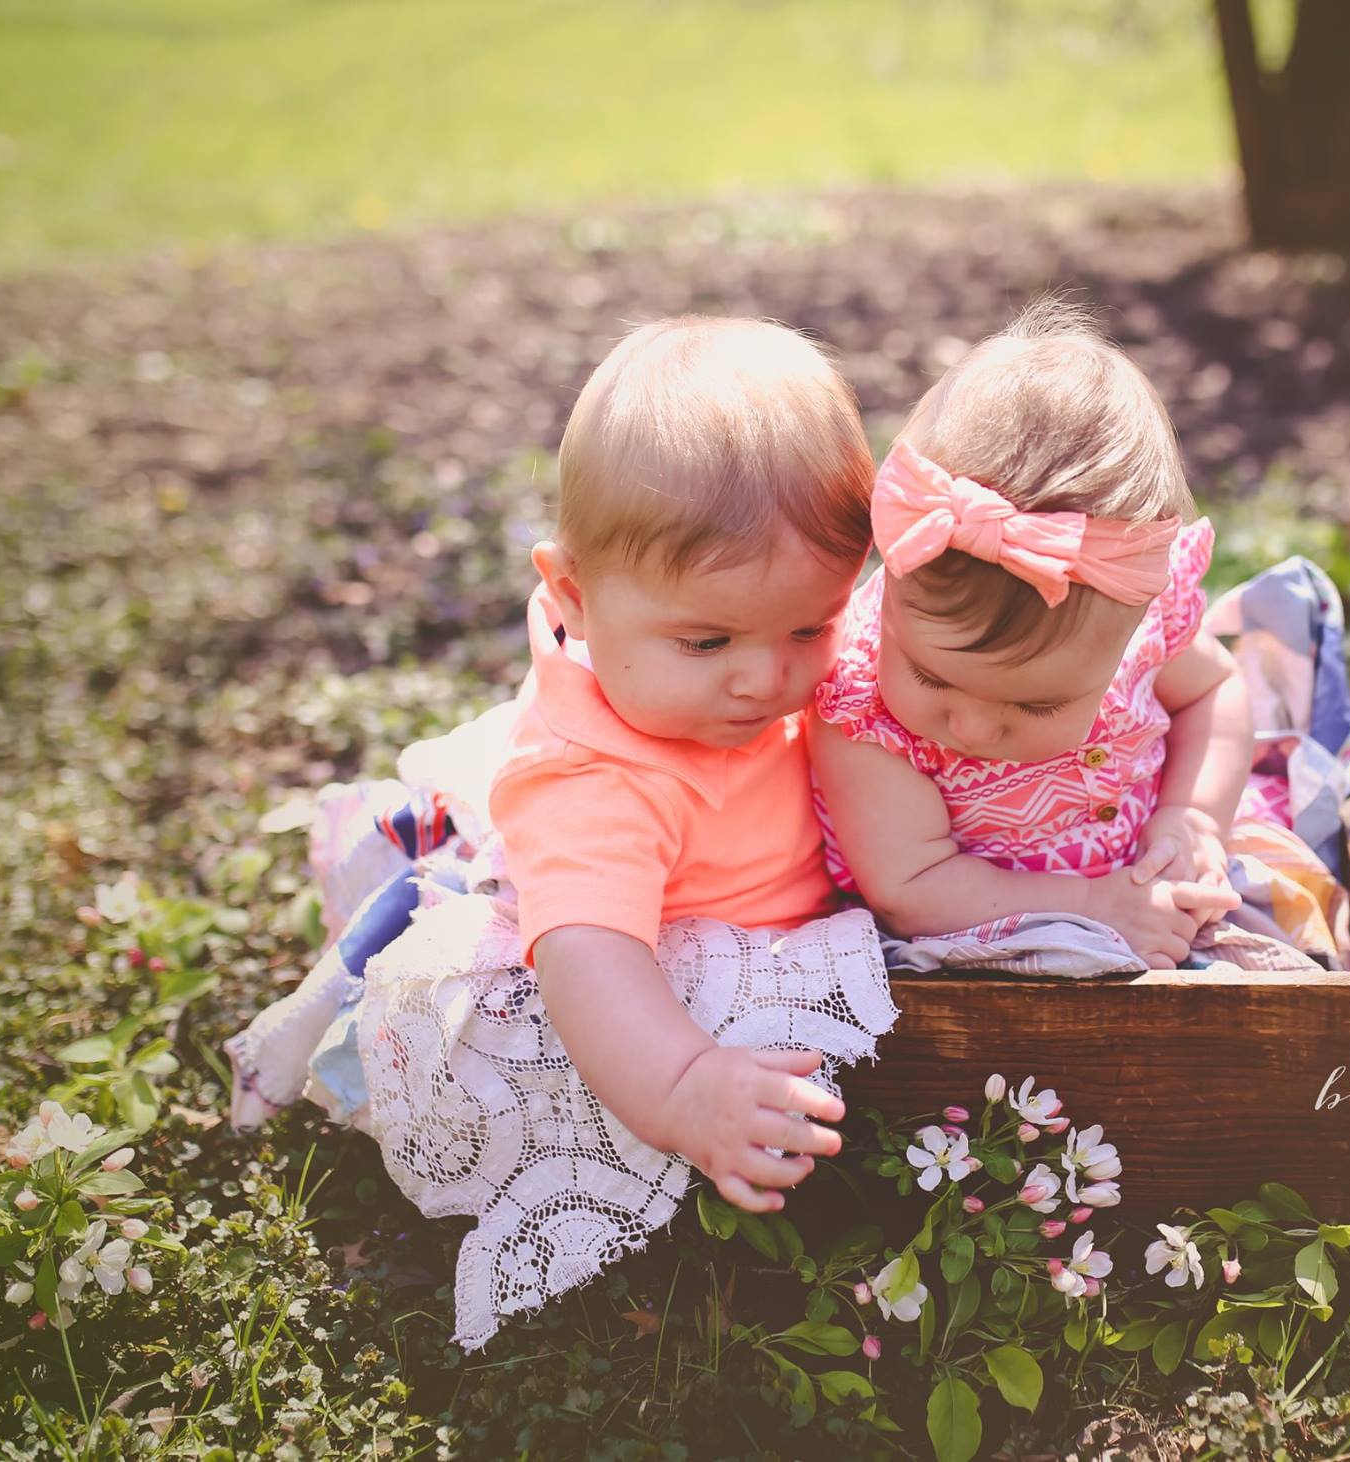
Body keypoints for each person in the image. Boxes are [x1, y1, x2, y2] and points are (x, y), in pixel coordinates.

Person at [225, 317, 899, 1349]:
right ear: (573, 596)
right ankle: (375, 880)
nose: (764, 678)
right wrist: (682, 1086)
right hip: (628, 991)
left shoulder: (737, 671)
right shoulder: (596, 786)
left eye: (809, 626)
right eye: (707, 639)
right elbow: (594, 965)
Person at [810, 301, 1350, 971]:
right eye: (931, 676)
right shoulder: (863, 712)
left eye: (1035, 704)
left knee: (1302, 928)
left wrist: (1191, 818)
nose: (974, 727)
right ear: (894, 593)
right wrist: (1097, 907)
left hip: (1141, 865)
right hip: (983, 916)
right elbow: (912, 888)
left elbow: (1214, 692)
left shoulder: (1133, 627)